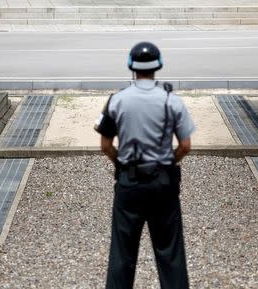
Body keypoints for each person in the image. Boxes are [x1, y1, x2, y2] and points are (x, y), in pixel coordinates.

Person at [94, 41, 195, 289]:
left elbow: (105, 145)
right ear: (157, 66)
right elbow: (185, 146)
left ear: (132, 67)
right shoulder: (172, 101)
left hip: (129, 182)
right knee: (170, 252)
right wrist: (168, 163)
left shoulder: (117, 100)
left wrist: (122, 163)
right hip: (163, 183)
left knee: (122, 253)